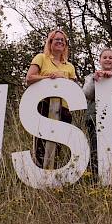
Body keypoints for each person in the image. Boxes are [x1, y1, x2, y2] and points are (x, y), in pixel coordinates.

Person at [26, 29, 77, 168]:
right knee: (42, 143)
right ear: (50, 42)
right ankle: (40, 172)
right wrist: (49, 77)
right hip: (44, 105)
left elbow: (73, 88)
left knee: (58, 144)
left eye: (62, 40)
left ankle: (53, 174)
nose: (60, 42)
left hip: (64, 108)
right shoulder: (41, 58)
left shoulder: (70, 66)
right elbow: (29, 78)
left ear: (65, 45)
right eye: (56, 39)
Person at [83, 48, 112, 172]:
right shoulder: (91, 77)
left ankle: (109, 175)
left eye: (111, 57)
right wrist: (96, 79)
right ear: (100, 60)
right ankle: (94, 177)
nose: (107, 59)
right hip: (95, 118)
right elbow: (87, 94)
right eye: (104, 57)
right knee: (95, 148)